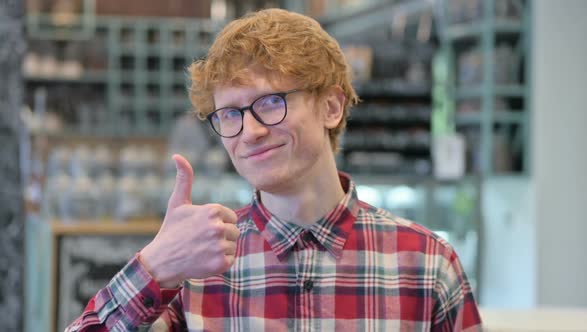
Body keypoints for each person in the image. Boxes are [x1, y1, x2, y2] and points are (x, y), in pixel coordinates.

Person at [66, 8, 482, 331]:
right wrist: (155, 267)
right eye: (229, 113)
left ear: (331, 107)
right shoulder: (196, 269)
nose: (250, 131)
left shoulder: (425, 264)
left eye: (270, 102)